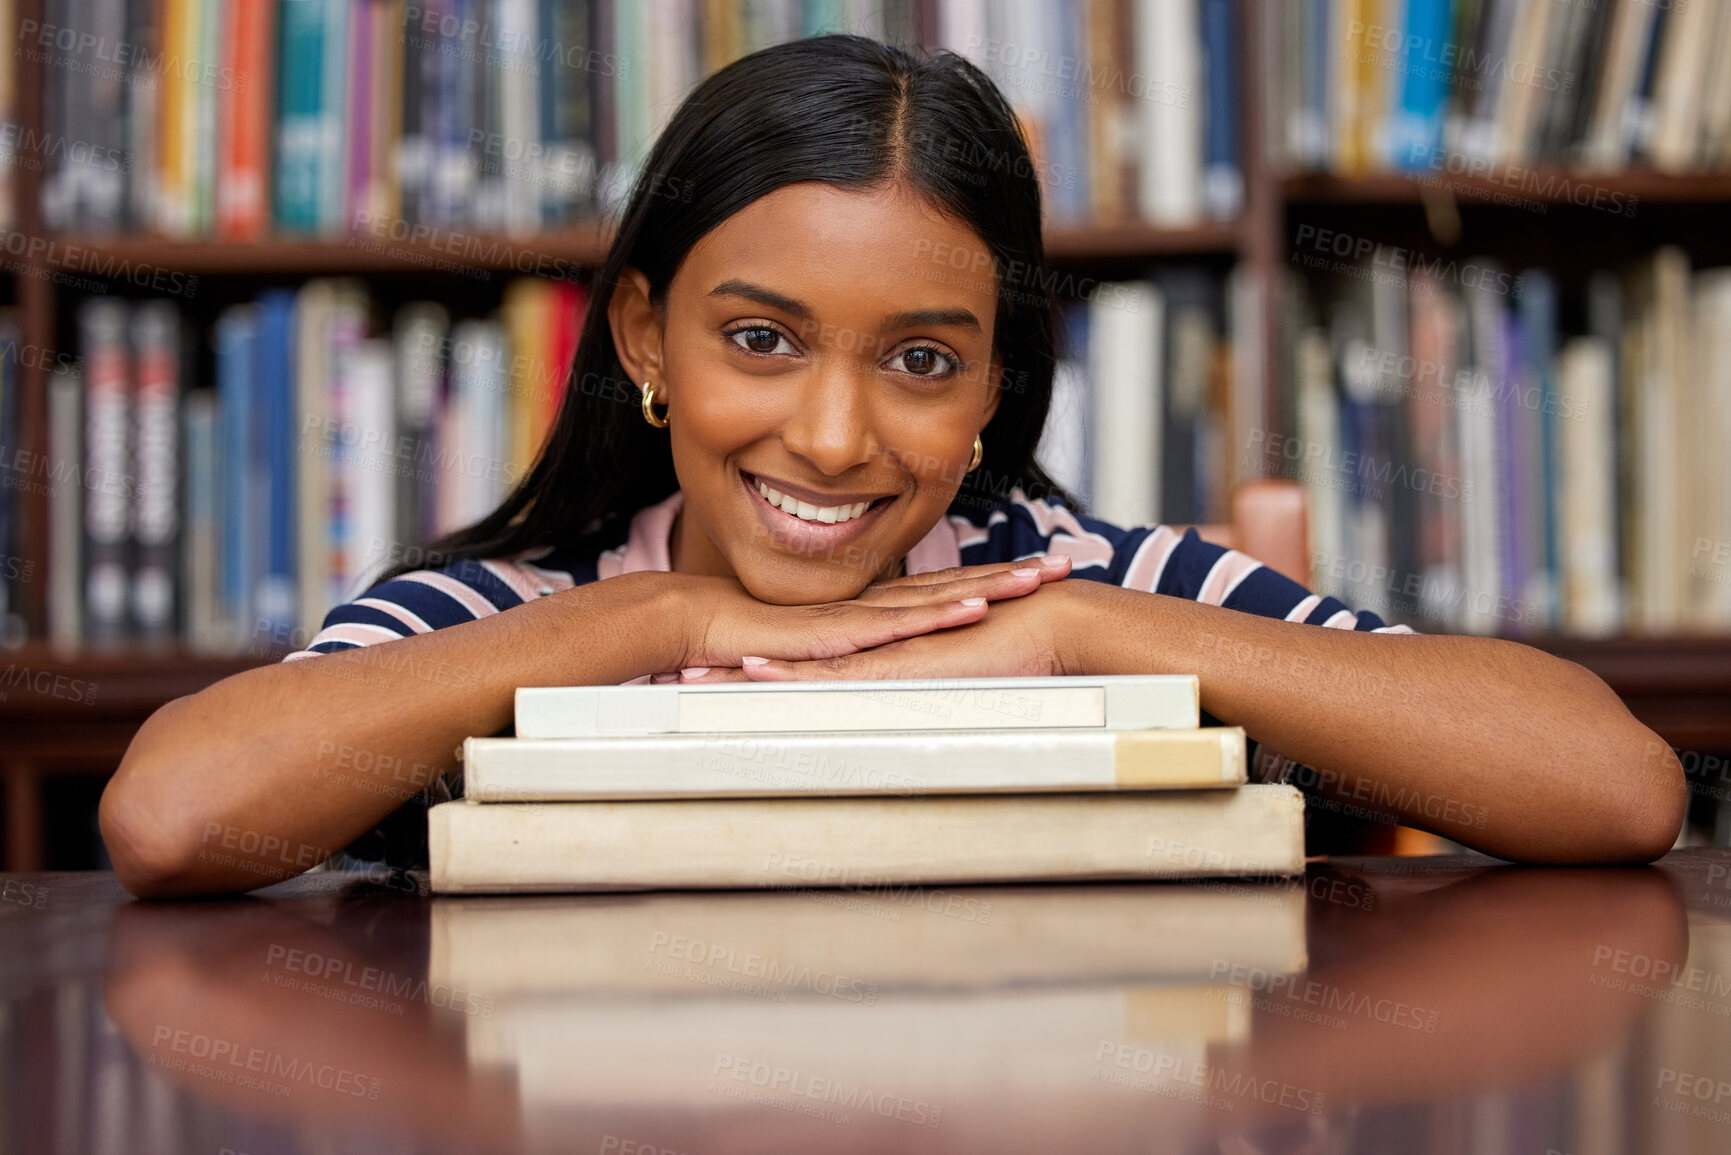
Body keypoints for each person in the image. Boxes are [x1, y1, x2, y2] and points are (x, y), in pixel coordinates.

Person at [99, 36, 1685, 898]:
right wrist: (659, 628)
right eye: (763, 340)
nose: (837, 439)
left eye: (923, 361)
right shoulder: (523, 607)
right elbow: (172, 821)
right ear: (645, 335)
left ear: (996, 379)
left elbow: (1616, 791)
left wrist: (1086, 635)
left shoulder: (1103, 586)